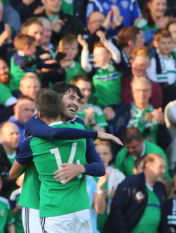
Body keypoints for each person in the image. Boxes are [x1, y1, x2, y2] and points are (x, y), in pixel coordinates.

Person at [12, 82, 123, 233]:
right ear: (56, 99)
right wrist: (96, 134)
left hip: (71, 208)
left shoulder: (78, 125)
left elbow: (98, 166)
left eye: (78, 100)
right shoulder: (35, 122)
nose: (76, 103)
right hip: (35, 200)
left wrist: (80, 168)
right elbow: (54, 133)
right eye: (71, 98)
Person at [103, 154, 167, 233]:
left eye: (164, 167)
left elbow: (163, 218)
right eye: (160, 167)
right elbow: (116, 211)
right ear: (148, 166)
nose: (164, 171)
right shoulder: (130, 183)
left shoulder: (161, 188)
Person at [112, 77, 171, 150]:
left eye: (145, 90)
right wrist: (144, 121)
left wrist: (162, 125)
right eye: (138, 90)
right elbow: (118, 137)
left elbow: (166, 142)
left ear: (150, 92)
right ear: (132, 92)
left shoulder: (156, 111)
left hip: (152, 156)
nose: (142, 94)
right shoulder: (124, 111)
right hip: (131, 156)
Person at [79, 31, 122, 108]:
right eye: (95, 55)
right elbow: (84, 65)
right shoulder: (95, 70)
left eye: (99, 55)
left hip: (118, 105)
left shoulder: (115, 66)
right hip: (102, 106)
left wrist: (105, 42)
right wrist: (85, 48)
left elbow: (117, 54)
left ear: (109, 55)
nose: (96, 58)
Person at [93, 140, 125, 232]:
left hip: (112, 226)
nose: (102, 156)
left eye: (105, 153)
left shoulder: (119, 177)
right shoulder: (86, 176)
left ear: (111, 156)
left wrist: (116, 198)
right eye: (98, 153)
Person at [146, 29, 176, 108]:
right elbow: (152, 79)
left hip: (174, 94)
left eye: (169, 43)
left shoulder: (174, 59)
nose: (166, 46)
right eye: (163, 43)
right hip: (161, 94)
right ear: (155, 44)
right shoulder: (154, 60)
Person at [0, 121, 20, 199]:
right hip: (4, 205)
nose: (15, 137)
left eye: (17, 133)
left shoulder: (26, 154)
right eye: (11, 134)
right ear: (0, 138)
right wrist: (17, 174)